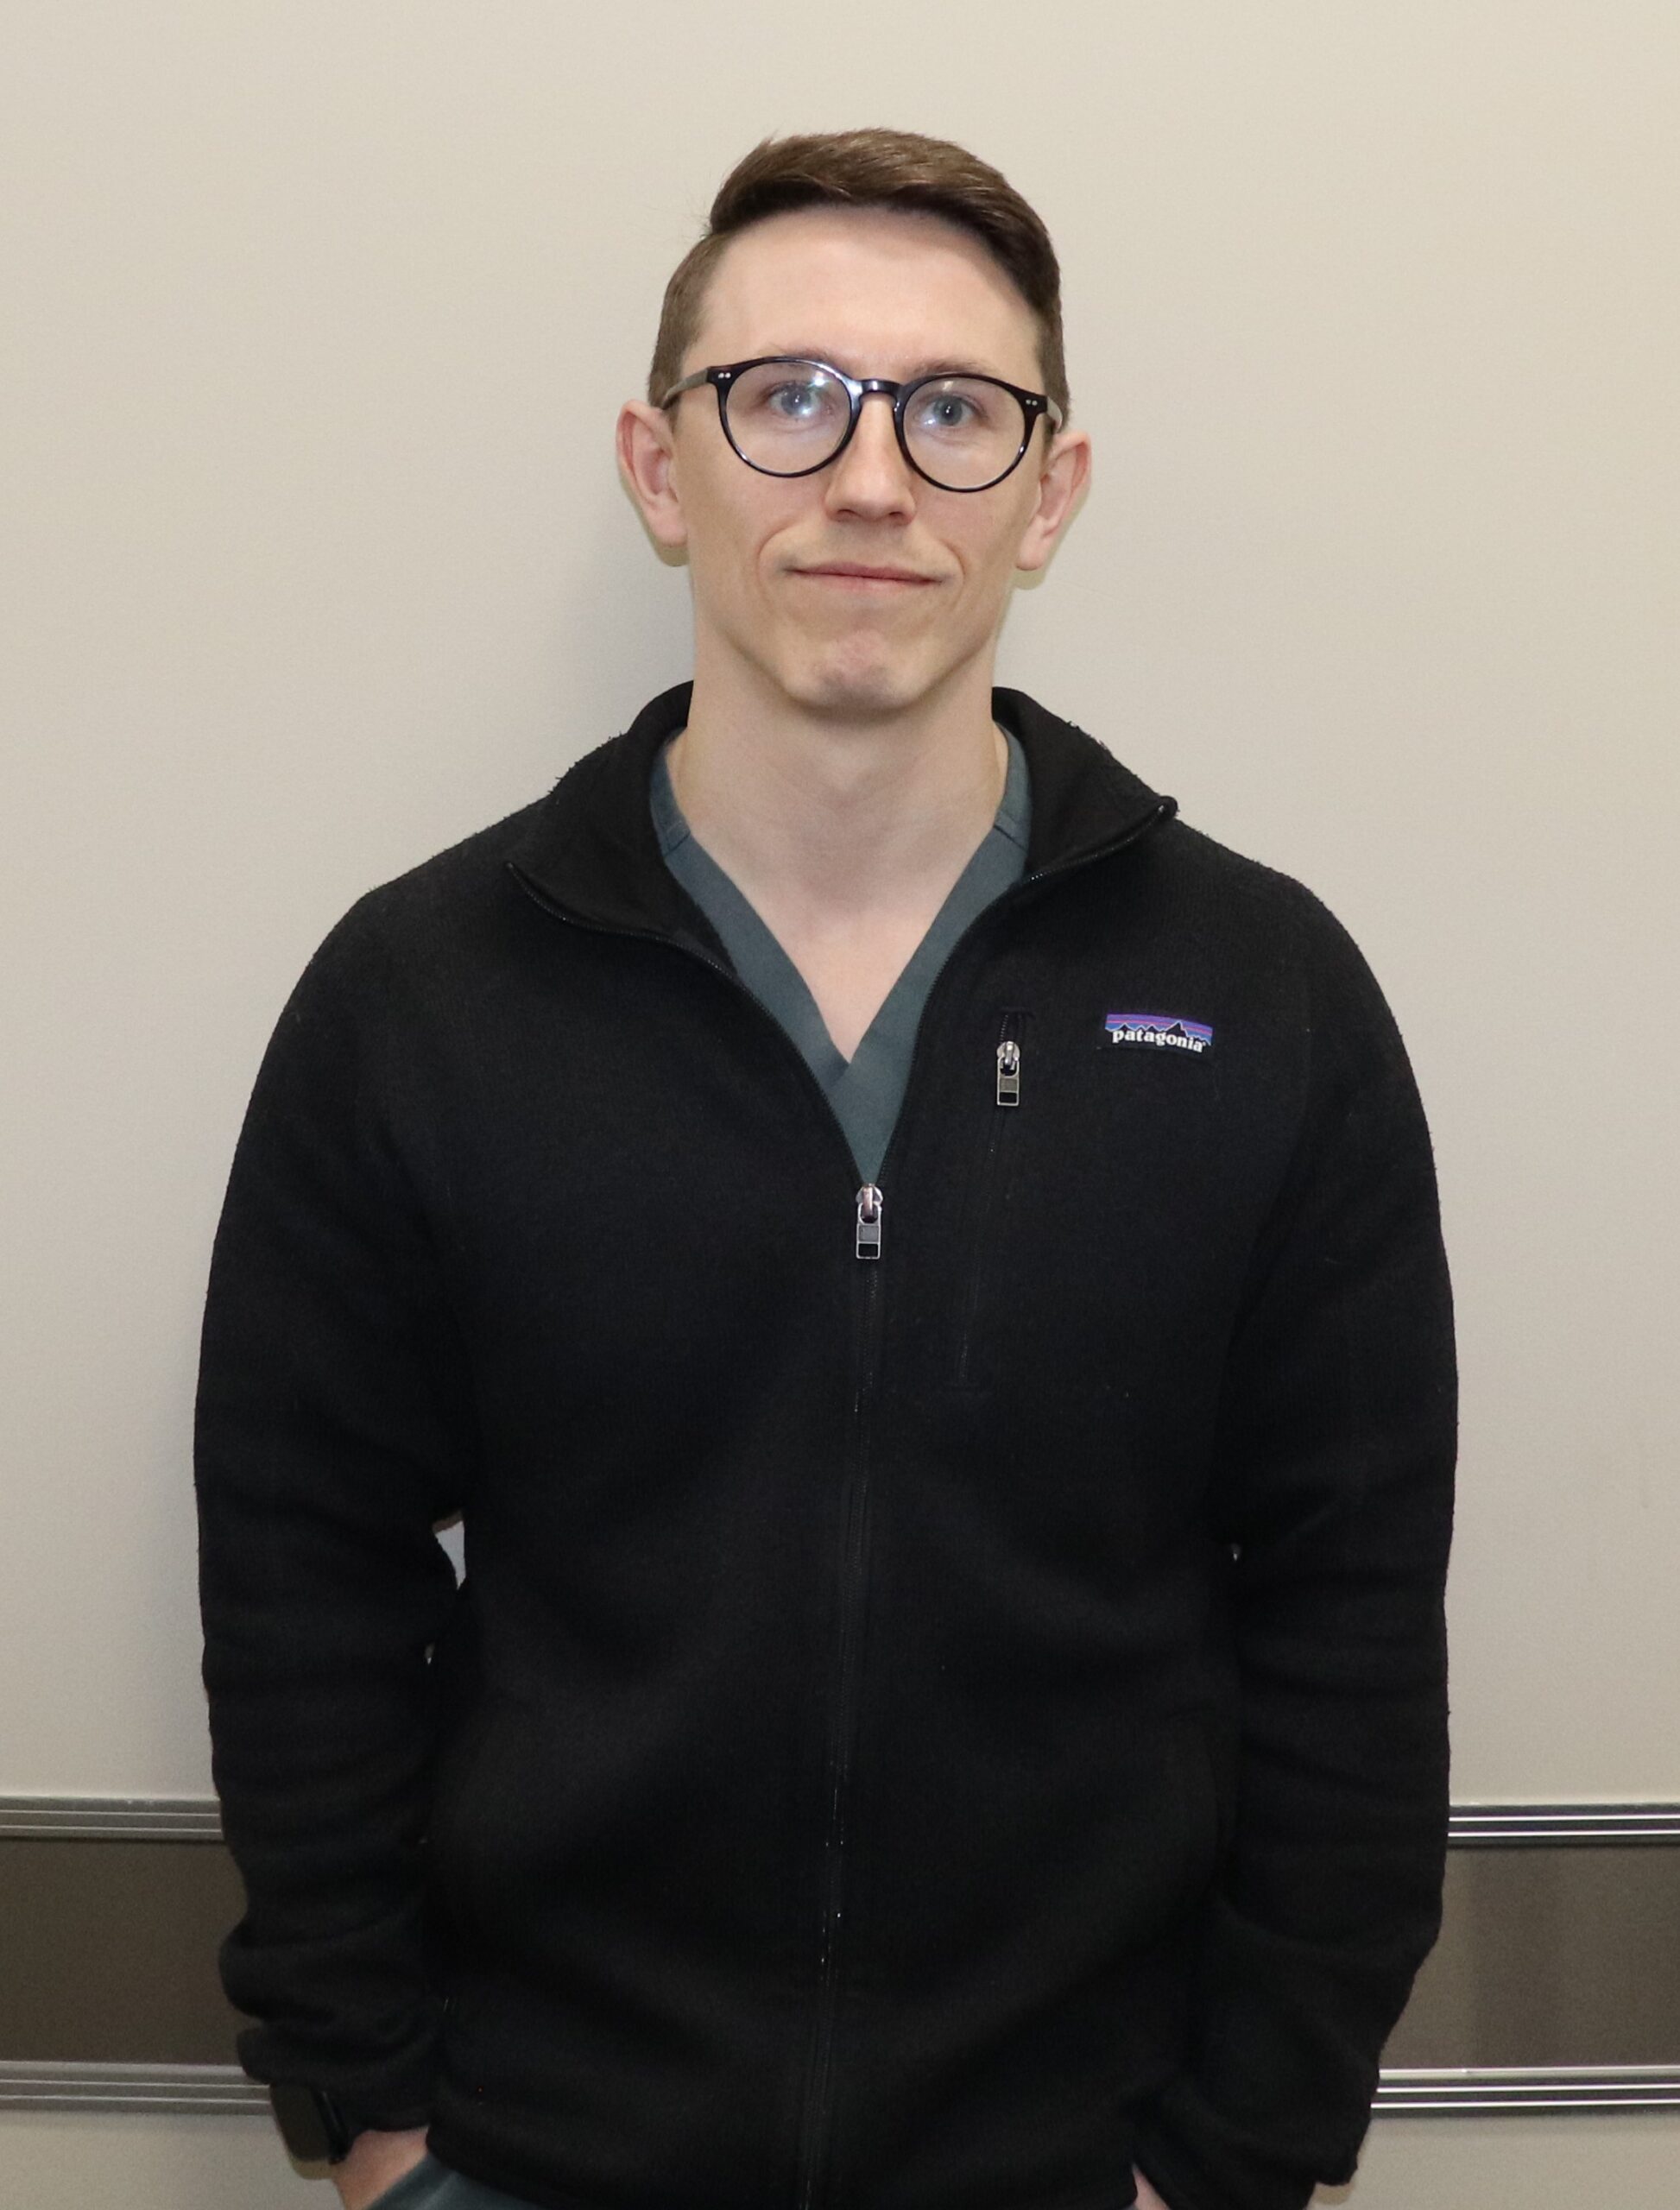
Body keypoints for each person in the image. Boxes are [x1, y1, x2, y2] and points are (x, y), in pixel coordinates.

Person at [194, 128, 1456, 2210]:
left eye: (954, 411)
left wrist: (1238, 2148)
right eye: (785, 397)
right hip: (533, 2154)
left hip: (1089, 2158)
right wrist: (383, 2124)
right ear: (657, 465)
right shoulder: (420, 997)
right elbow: (299, 1579)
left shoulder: (1261, 996)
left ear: (1048, 492)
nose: (869, 478)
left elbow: (1349, 1617)